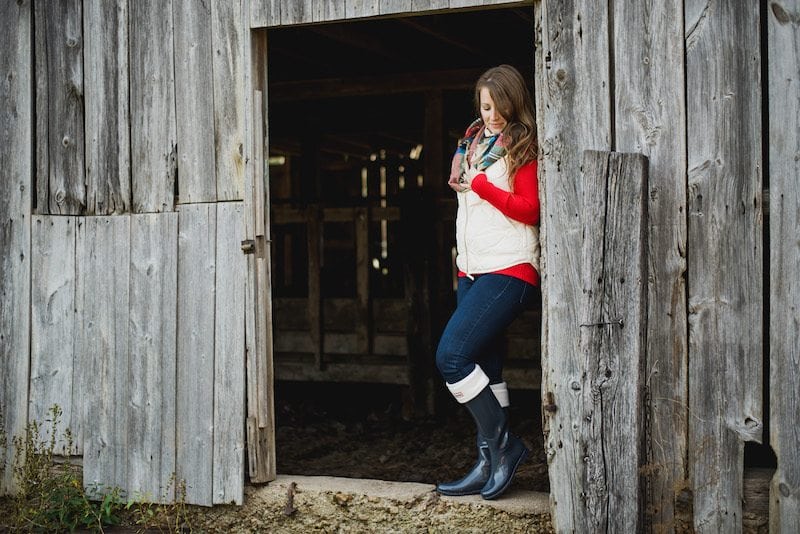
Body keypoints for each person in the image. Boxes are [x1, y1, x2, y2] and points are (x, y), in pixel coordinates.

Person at [435, 64, 540, 500]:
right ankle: (488, 461)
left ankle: (506, 448)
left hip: (511, 268)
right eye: (485, 106)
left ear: (514, 103)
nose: (492, 115)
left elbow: (529, 209)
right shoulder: (473, 143)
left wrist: (479, 183)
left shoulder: (523, 146)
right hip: (473, 269)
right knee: (487, 367)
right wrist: (464, 175)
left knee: (452, 357)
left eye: (499, 107)